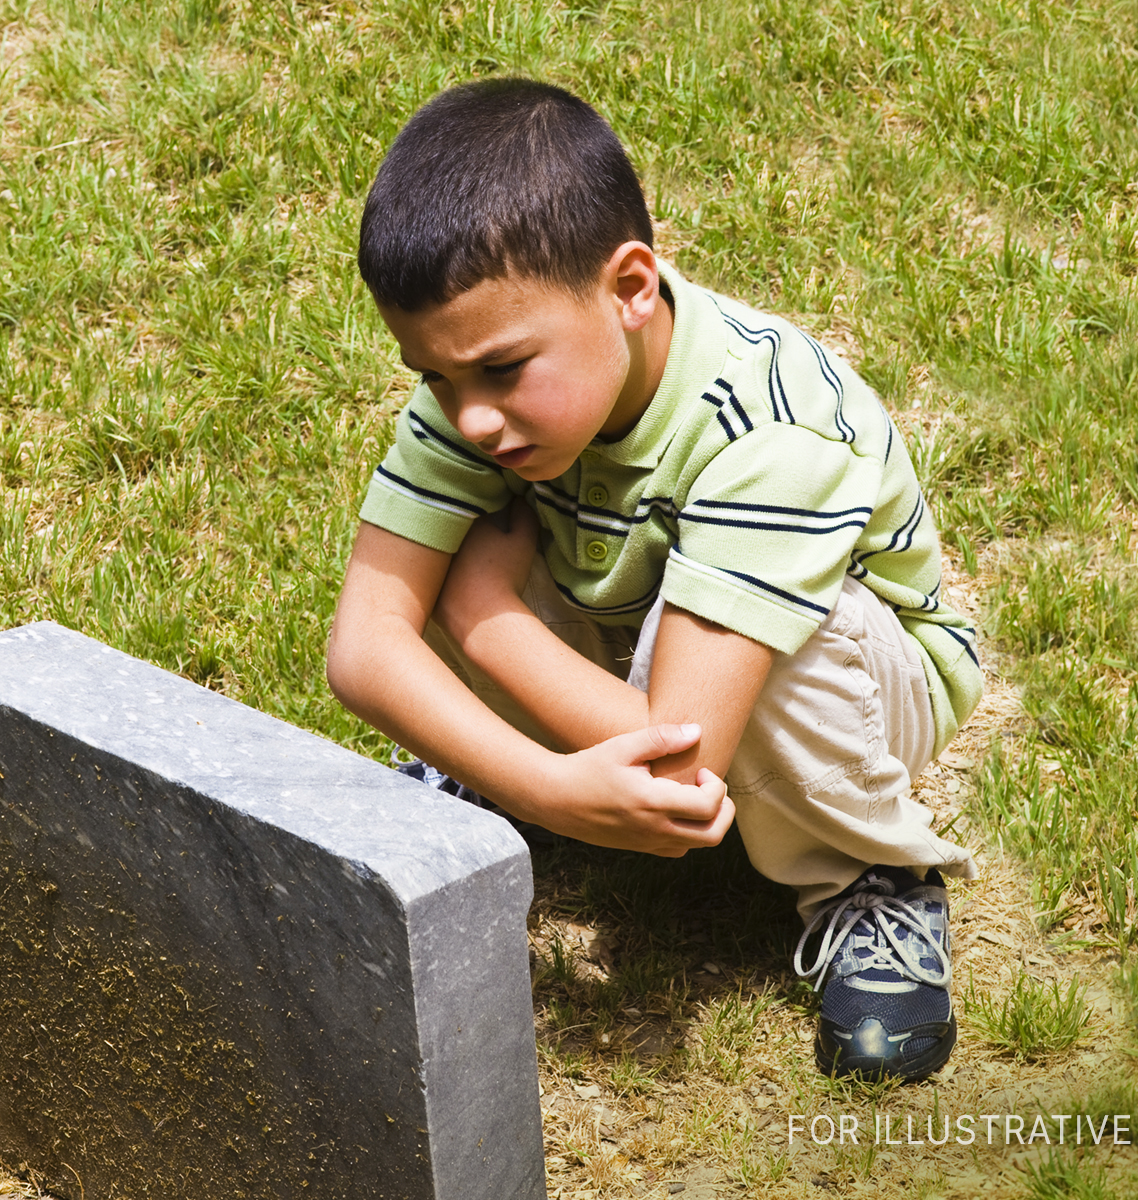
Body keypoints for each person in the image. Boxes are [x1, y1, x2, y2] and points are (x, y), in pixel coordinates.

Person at [323, 77, 984, 1084]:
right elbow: (364, 646)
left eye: (502, 370)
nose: (471, 420)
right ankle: (517, 789)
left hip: (840, 696)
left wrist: (483, 613)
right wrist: (542, 783)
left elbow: (684, 767)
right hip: (637, 652)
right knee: (473, 534)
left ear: (631, 287)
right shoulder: (484, 393)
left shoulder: (769, 425)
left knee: (784, 633)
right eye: (435, 380)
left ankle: (870, 877)